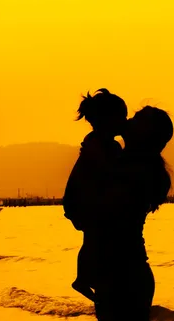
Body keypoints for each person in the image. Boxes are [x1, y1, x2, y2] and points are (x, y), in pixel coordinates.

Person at [88, 106, 174, 321]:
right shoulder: (122, 162)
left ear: (146, 134)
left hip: (123, 274)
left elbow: (98, 212)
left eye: (137, 119)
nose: (128, 119)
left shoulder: (135, 171)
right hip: (120, 270)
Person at [62, 88, 128, 300]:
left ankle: (84, 277)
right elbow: (109, 170)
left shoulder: (98, 141)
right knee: (93, 238)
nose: (124, 121)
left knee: (92, 239)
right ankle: (82, 279)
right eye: (121, 117)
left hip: (82, 200)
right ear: (106, 119)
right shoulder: (100, 144)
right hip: (85, 201)